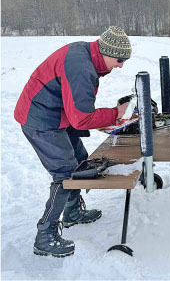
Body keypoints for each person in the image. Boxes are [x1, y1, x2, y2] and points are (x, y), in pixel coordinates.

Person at [14, 26, 133, 257]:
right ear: (107, 52)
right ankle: (45, 235)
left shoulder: (88, 55)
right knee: (65, 173)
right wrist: (115, 114)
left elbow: (77, 110)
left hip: (57, 115)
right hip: (39, 119)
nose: (121, 65)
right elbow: (81, 119)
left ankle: (72, 212)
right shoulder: (81, 66)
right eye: (119, 60)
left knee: (80, 161)